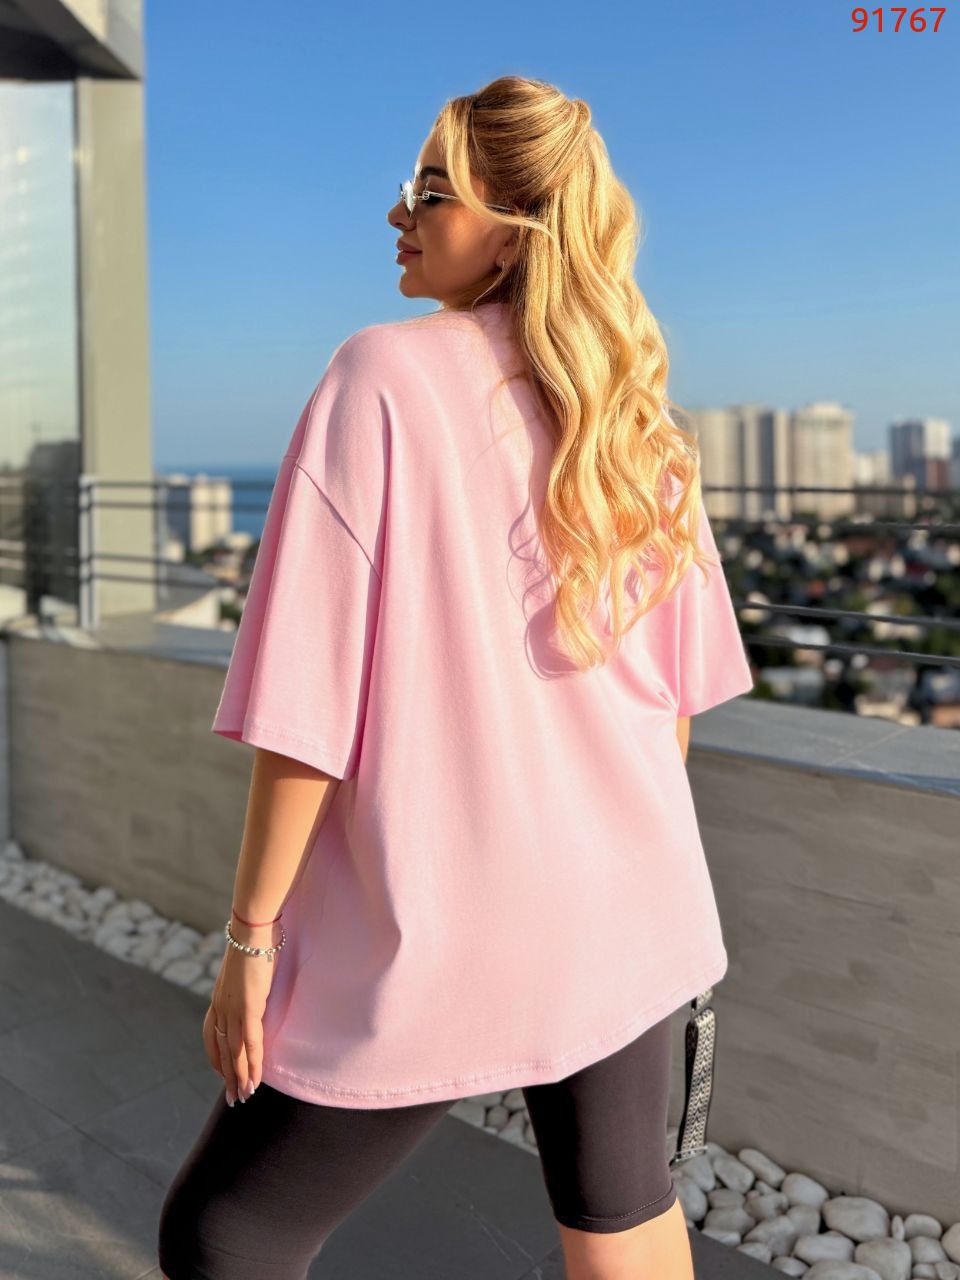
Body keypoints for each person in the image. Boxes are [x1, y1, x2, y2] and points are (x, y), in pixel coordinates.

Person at [158, 73, 754, 1280]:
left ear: (518, 228)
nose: (399, 212)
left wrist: (251, 940)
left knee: (225, 1235)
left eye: (434, 191)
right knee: (622, 1224)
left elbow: (307, 712)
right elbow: (672, 721)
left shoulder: (377, 376)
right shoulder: (635, 422)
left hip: (437, 929)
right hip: (631, 908)